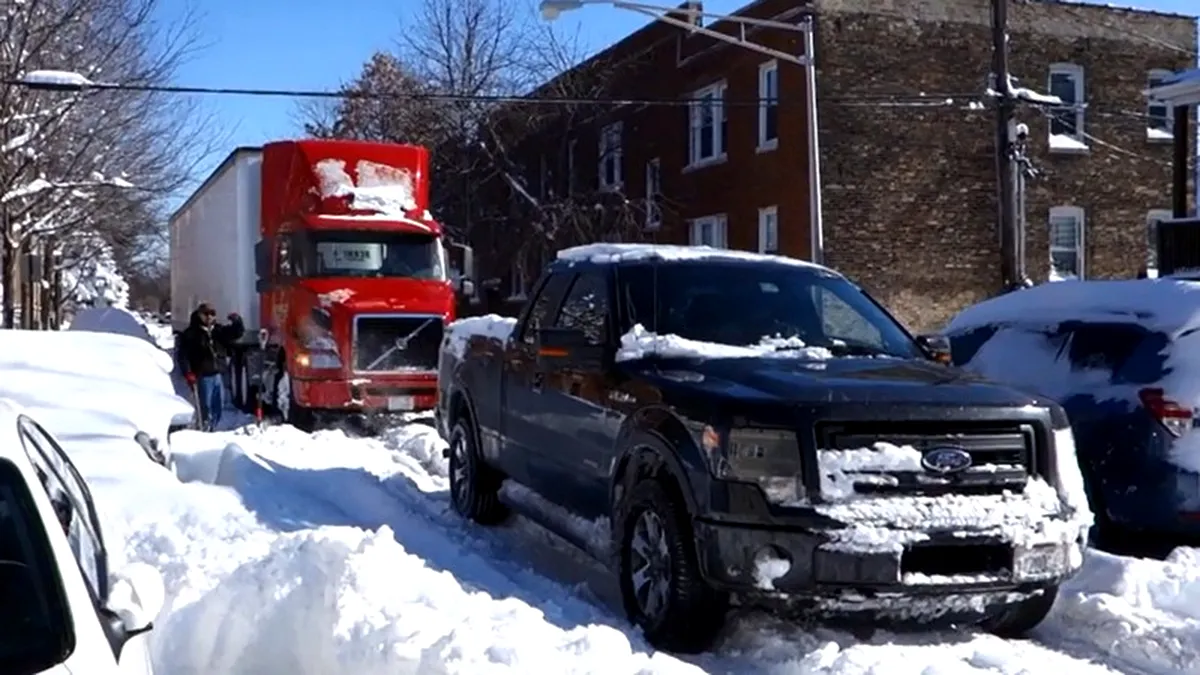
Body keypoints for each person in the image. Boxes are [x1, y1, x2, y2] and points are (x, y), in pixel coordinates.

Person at [178, 302, 245, 431]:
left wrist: (237, 321)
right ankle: (204, 429)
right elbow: (183, 356)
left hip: (217, 374)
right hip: (202, 376)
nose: (209, 317)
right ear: (199, 315)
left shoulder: (218, 331)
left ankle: (213, 428)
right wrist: (188, 373)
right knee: (205, 407)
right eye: (206, 314)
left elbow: (236, 333)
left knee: (218, 406)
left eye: (212, 314)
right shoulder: (191, 333)